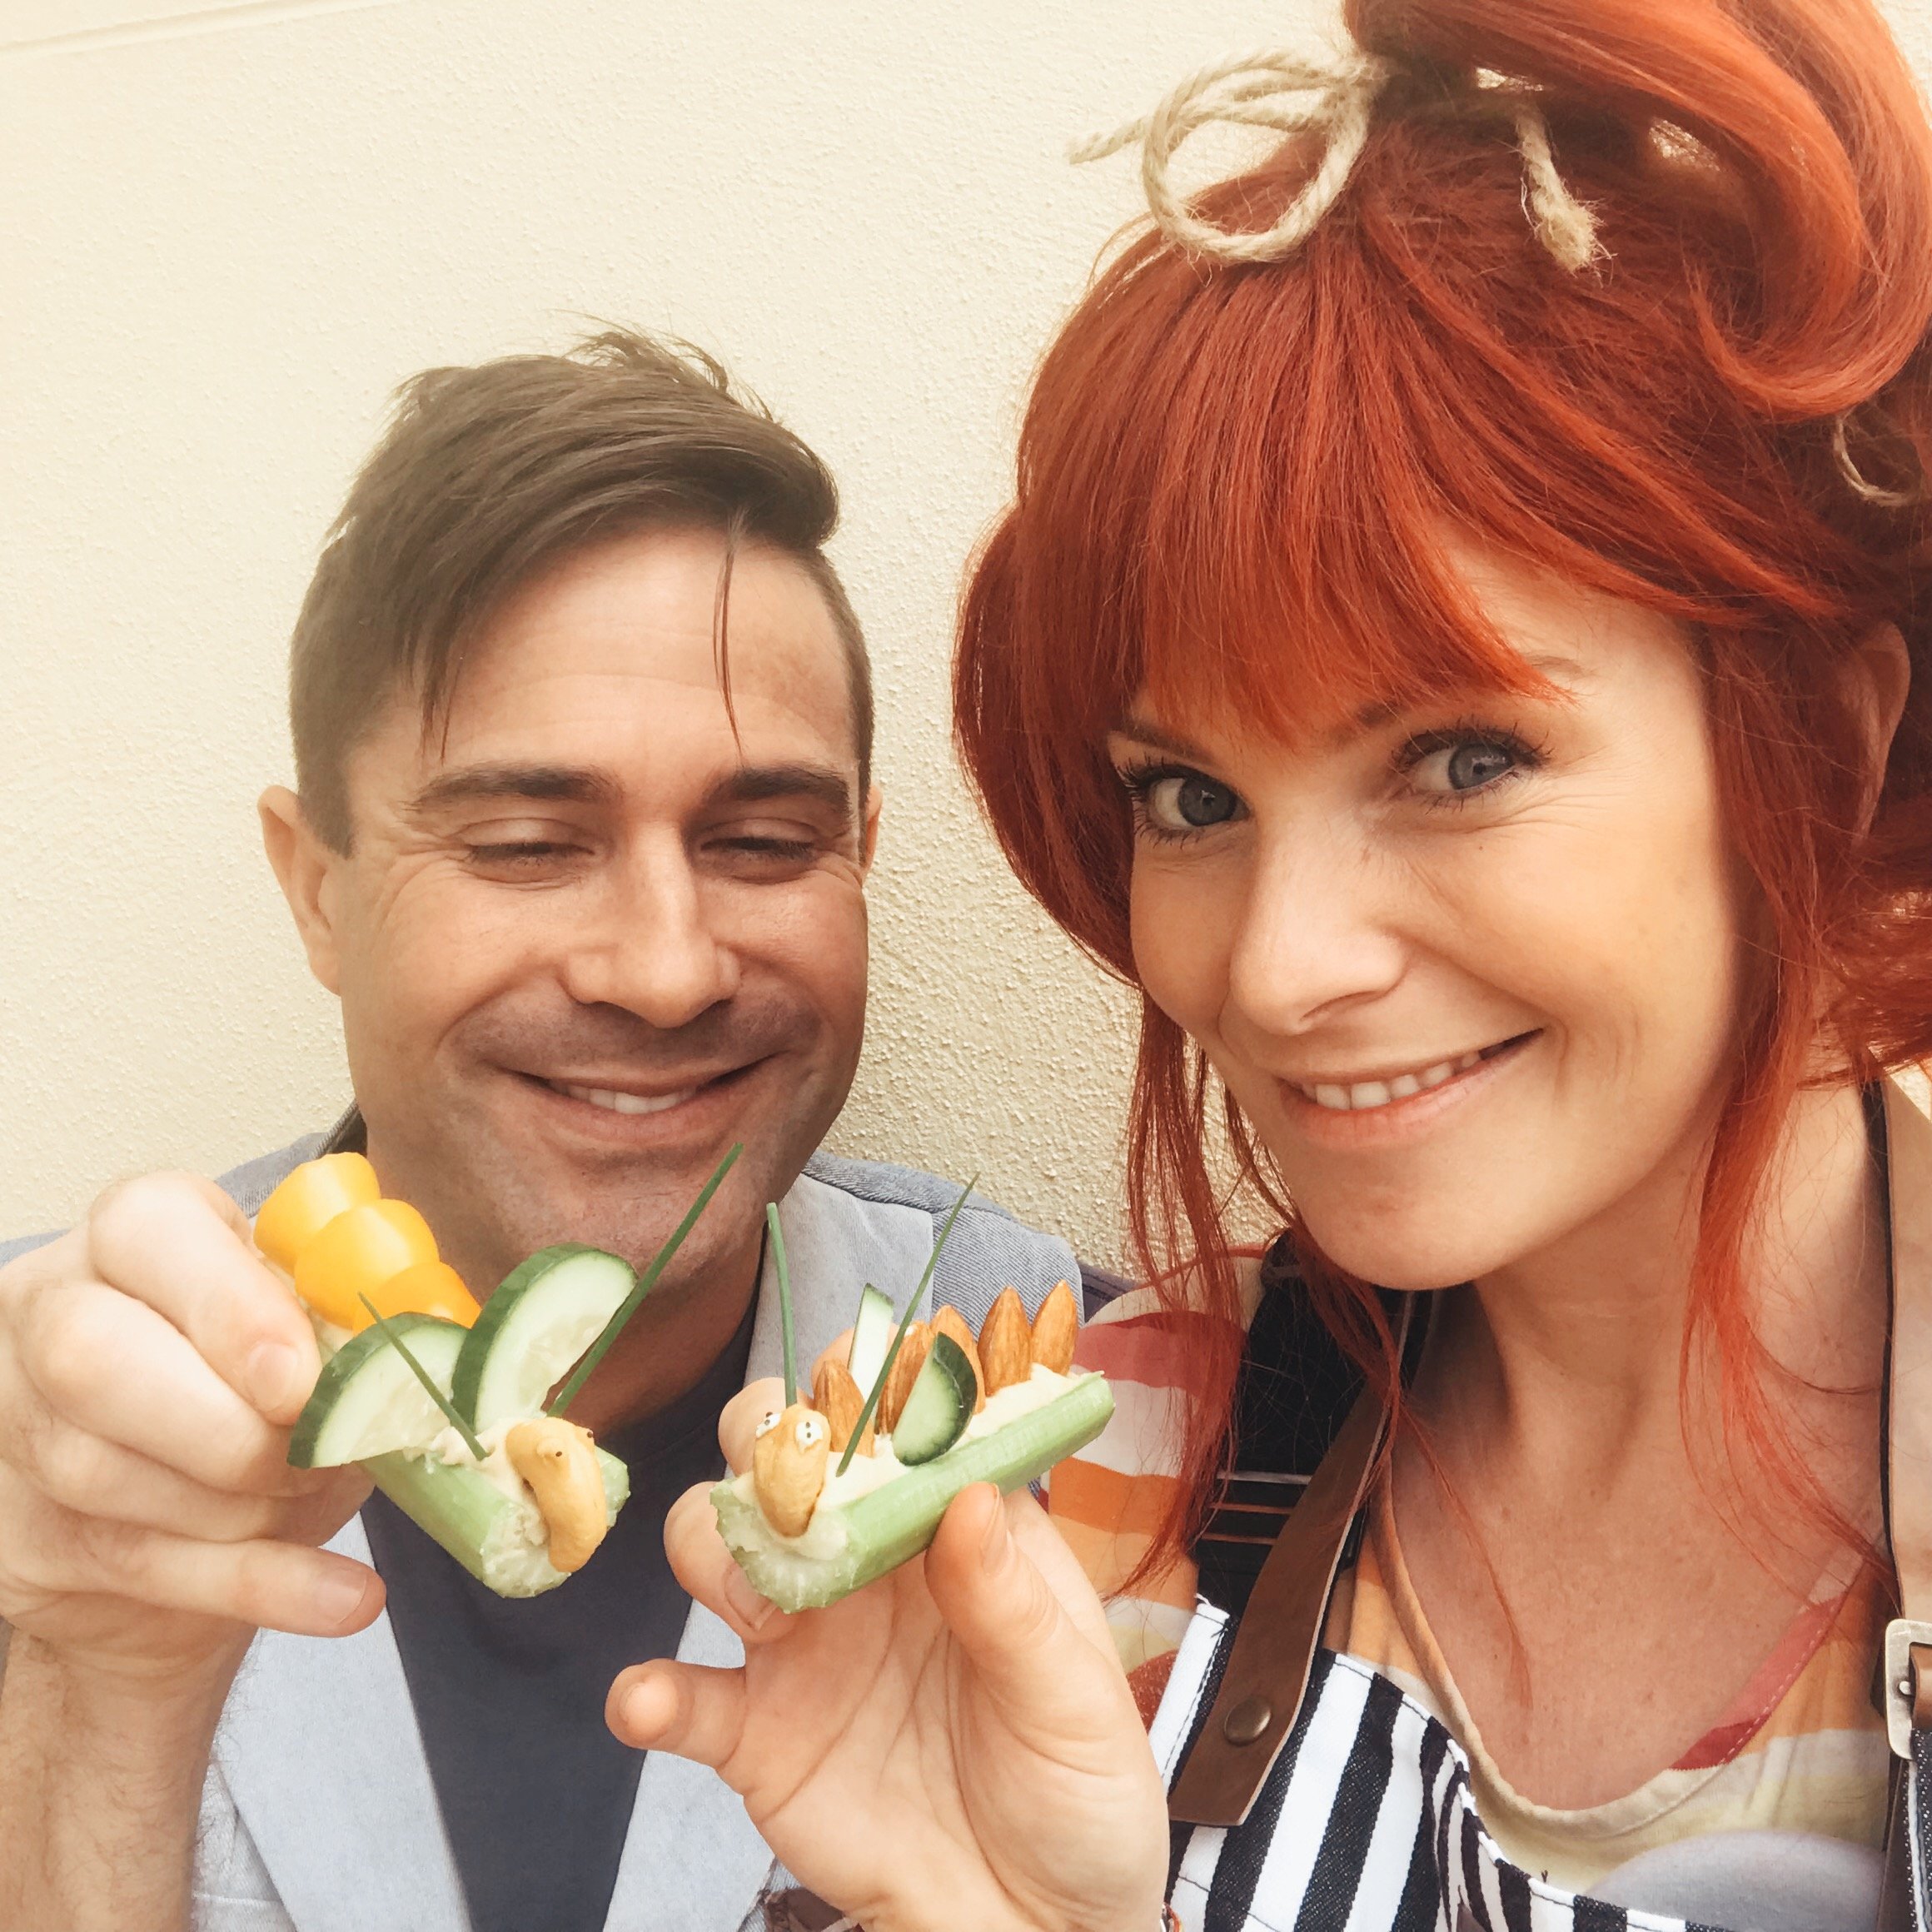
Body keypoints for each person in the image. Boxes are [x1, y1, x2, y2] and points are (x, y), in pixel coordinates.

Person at [607, 1, 1932, 1927]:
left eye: (1459, 759)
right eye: (1191, 795)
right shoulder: (1101, 1462)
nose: (1277, 966)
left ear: (1825, 735)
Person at [0, 332, 1088, 1932]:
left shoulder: (1110, 1406)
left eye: (763, 840)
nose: (665, 970)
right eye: (524, 844)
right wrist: (96, 1699)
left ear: (862, 855)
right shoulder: (45, 1446)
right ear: (318, 890)